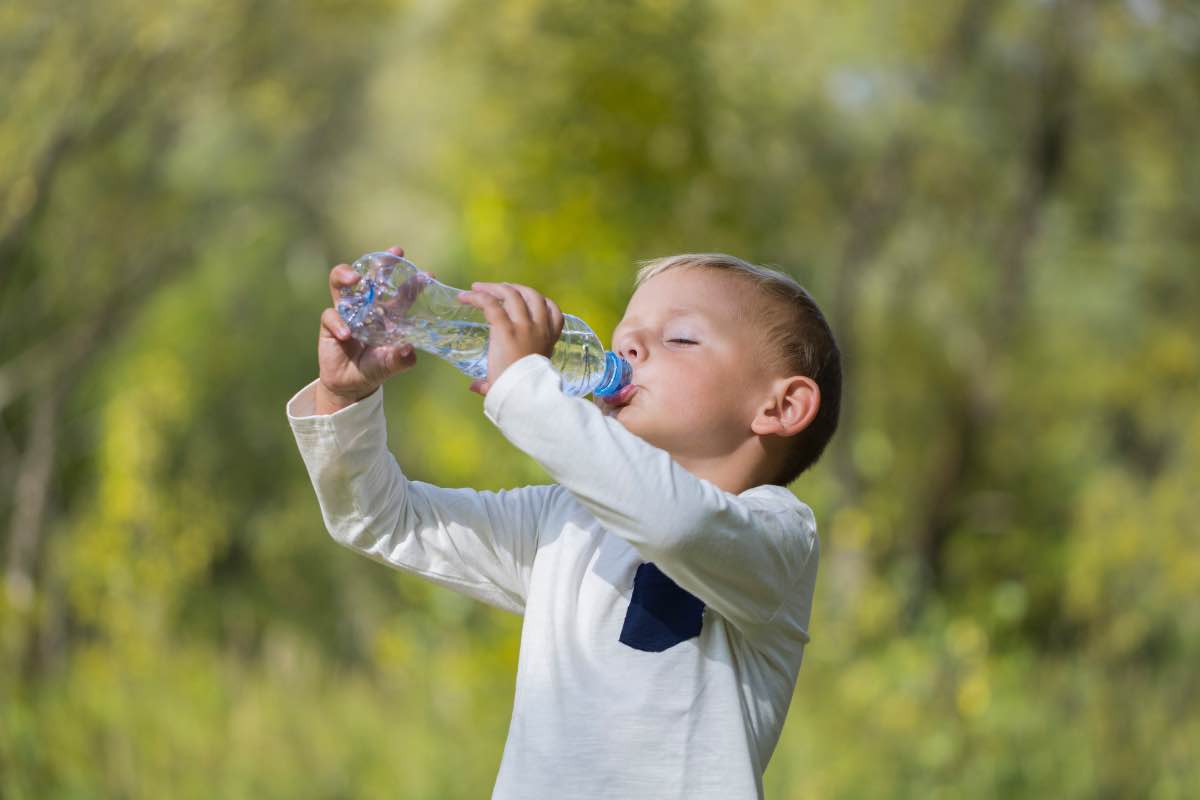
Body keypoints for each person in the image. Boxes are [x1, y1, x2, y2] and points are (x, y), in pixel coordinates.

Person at [286, 246, 842, 799]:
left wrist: (527, 389)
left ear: (781, 407)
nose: (628, 346)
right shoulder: (564, 521)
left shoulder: (778, 535)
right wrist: (344, 399)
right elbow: (386, 521)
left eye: (680, 338)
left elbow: (677, 523)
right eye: (626, 332)